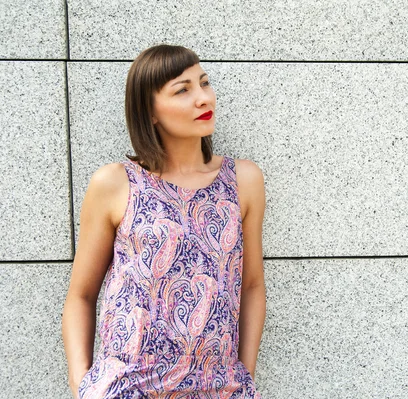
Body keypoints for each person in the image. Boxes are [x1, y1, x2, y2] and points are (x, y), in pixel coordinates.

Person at [61, 44, 266, 399]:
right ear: (150, 112)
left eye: (204, 83)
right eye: (183, 90)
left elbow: (251, 286)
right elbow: (81, 295)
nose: (203, 98)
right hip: (129, 387)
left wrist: (244, 378)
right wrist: (83, 387)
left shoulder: (243, 179)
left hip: (218, 388)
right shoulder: (115, 183)